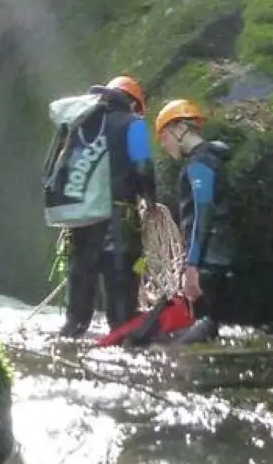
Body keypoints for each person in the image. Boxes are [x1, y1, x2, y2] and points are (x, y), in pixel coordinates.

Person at [58, 75, 156, 337]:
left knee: (79, 299)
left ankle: (71, 338)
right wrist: (150, 200)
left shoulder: (83, 121)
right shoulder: (133, 124)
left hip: (82, 219)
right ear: (133, 103)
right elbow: (143, 167)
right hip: (119, 221)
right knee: (121, 306)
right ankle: (121, 340)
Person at [153, 98, 234, 326]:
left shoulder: (200, 164)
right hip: (218, 259)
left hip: (207, 263)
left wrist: (192, 265)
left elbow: (203, 212)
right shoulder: (213, 160)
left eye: (164, 137)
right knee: (208, 328)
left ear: (180, 129)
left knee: (200, 328)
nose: (164, 145)